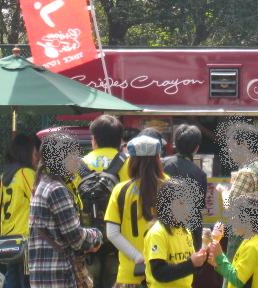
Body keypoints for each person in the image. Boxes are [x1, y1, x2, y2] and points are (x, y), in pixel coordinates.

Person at [28, 131, 103, 288]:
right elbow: (76, 239)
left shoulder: (42, 184)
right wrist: (97, 235)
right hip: (58, 276)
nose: (77, 161)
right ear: (60, 159)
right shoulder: (57, 190)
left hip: (43, 276)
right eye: (73, 156)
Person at [105, 135, 168, 288]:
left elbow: (112, 233)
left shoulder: (120, 190)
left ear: (131, 161)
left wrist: (138, 257)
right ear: (157, 159)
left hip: (130, 274)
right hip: (164, 272)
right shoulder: (170, 187)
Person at [226, 122, 258, 288]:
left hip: (247, 249)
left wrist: (223, 193)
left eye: (232, 146)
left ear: (244, 145)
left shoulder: (246, 173)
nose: (230, 151)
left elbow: (230, 209)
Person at [82, 114, 130, 288]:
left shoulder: (79, 164)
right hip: (120, 243)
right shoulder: (129, 163)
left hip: (88, 242)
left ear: (94, 140)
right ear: (120, 141)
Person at [143, 178, 207, 287]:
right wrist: (191, 264)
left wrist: (201, 260)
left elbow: (189, 268)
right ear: (167, 205)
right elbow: (159, 273)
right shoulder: (157, 233)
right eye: (181, 202)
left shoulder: (185, 230)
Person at [0, 134, 41, 288]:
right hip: (25, 237)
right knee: (26, 281)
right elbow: (39, 200)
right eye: (35, 153)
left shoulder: (5, 175)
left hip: (8, 237)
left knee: (12, 279)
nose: (37, 158)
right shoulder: (25, 173)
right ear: (26, 152)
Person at [163, 124, 208, 249]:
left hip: (165, 229)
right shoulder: (200, 174)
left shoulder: (163, 165)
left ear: (175, 144)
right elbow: (200, 206)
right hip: (191, 233)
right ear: (196, 148)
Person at [208, 195, 258, 288]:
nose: (232, 220)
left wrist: (220, 257)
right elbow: (237, 270)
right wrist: (218, 263)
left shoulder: (251, 247)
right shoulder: (255, 240)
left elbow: (237, 280)